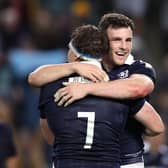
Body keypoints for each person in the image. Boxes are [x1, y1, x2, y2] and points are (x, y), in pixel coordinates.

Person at [28, 13, 161, 168]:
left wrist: (87, 88)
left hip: (128, 159)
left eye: (128, 40)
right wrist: (74, 66)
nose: (124, 47)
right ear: (103, 41)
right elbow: (34, 77)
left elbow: (138, 88)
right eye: (116, 40)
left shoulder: (137, 67)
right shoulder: (80, 66)